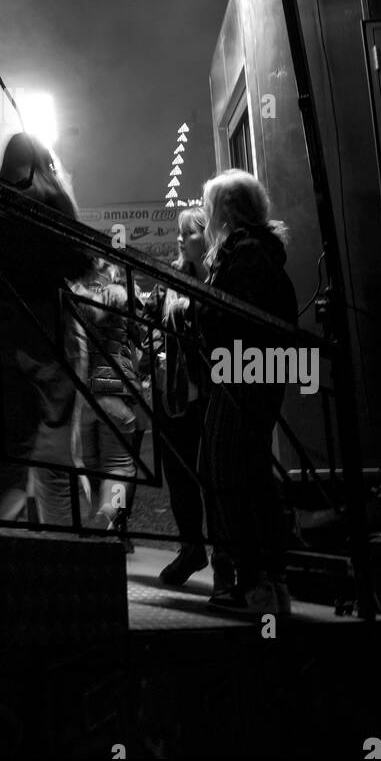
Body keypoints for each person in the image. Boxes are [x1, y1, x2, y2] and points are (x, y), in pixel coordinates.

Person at [0, 133, 94, 526]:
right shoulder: (53, 204)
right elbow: (81, 262)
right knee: (56, 460)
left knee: (5, 456)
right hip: (48, 339)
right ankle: (65, 554)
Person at [198, 170, 297, 616]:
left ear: (227, 210)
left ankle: (255, 583)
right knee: (248, 472)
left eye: (211, 206)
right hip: (255, 372)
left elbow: (230, 319)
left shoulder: (246, 254)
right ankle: (266, 583)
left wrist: (201, 312)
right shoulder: (261, 251)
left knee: (228, 472)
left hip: (242, 373)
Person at [153, 206, 235, 595]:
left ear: (207, 235)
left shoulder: (222, 276)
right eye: (179, 233)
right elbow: (152, 326)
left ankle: (225, 565)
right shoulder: (170, 278)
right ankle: (191, 548)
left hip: (213, 391)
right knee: (179, 476)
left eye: (188, 233)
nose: (180, 239)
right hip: (174, 395)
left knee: (216, 478)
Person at [72, 259, 144, 541]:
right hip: (115, 396)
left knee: (89, 466)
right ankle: (107, 514)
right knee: (120, 466)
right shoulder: (121, 296)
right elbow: (141, 338)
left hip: (83, 396)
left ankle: (91, 524)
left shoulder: (74, 297)